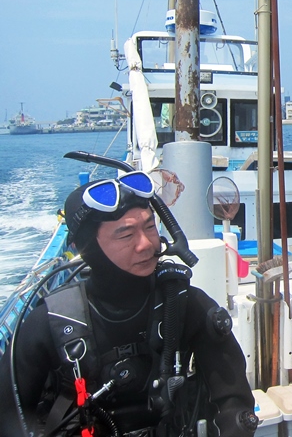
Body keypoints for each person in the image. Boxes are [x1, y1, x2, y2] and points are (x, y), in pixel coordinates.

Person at [0, 173, 257, 436]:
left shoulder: (186, 304)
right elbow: (8, 415)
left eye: (149, 227)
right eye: (125, 235)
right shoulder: (48, 323)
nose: (146, 244)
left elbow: (234, 401)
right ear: (88, 248)